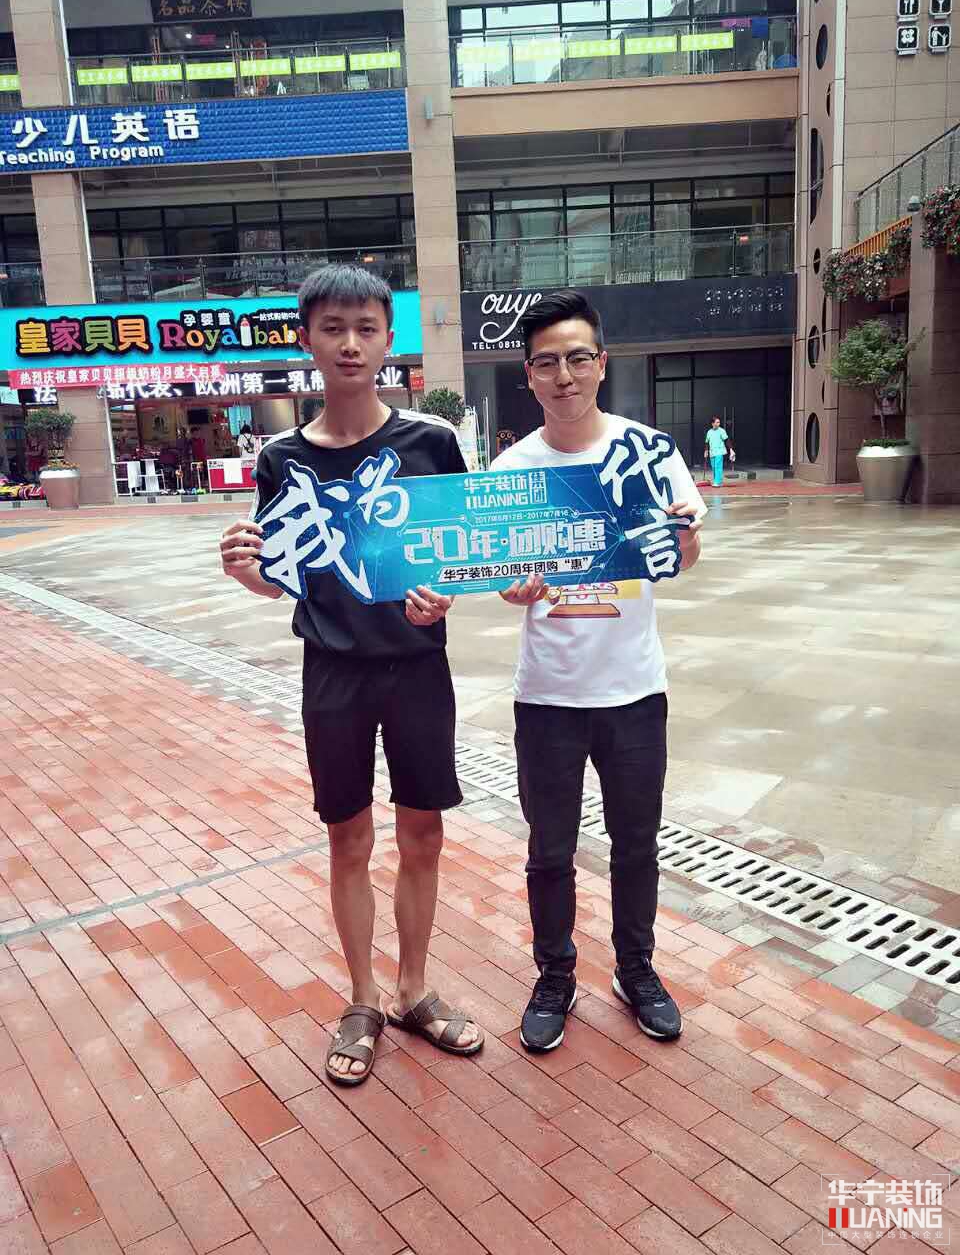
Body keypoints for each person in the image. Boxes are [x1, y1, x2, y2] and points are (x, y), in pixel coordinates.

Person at [219, 264, 482, 1085]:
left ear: (388, 339)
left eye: (366, 328)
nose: (350, 343)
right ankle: (363, 997)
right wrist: (248, 574)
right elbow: (283, 576)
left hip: (417, 668)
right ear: (307, 340)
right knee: (349, 836)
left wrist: (445, 594)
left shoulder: (431, 444)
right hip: (331, 670)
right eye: (332, 328)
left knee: (423, 832)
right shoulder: (282, 459)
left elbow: (460, 553)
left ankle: (413, 988)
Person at [490, 289, 705, 1052]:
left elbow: (686, 552)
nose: (565, 376)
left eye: (578, 359)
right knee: (549, 851)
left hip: (634, 690)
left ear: (601, 364)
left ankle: (636, 970)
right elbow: (505, 574)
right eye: (547, 363)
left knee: (636, 844)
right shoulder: (512, 469)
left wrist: (681, 543)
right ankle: (555, 975)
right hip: (548, 695)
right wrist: (515, 587)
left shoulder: (649, 454)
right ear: (529, 374)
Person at [704, 416, 734, 487]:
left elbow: (727, 440)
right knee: (714, 467)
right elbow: (707, 442)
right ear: (712, 423)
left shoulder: (722, 431)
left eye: (719, 422)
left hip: (719, 451)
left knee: (718, 466)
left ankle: (717, 482)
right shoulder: (709, 432)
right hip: (712, 452)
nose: (718, 424)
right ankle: (718, 481)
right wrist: (706, 451)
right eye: (717, 422)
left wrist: (731, 449)